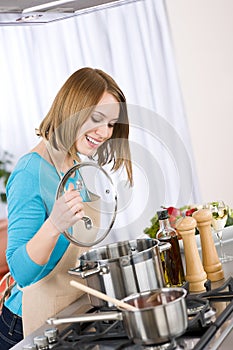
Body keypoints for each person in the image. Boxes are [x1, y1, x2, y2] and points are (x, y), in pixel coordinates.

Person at [0, 67, 133, 349]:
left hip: (67, 312)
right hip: (25, 325)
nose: (105, 133)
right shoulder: (29, 172)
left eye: (111, 124)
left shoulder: (74, 163)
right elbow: (20, 271)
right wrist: (53, 225)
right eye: (97, 119)